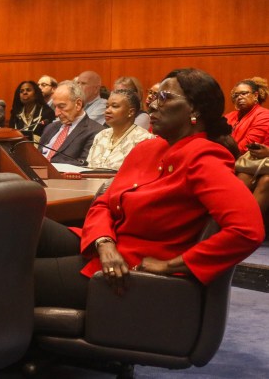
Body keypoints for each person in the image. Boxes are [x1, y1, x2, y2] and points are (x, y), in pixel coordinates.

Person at [34, 68, 264, 311]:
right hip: (102, 243)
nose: (152, 105)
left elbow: (247, 230)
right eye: (154, 97)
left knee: (13, 273)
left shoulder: (205, 158)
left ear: (195, 109)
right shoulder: (146, 149)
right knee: (18, 221)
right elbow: (103, 203)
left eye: (164, 98)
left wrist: (173, 265)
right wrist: (104, 243)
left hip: (126, 270)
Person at [38, 81, 104, 165]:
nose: (56, 113)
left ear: (78, 104)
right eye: (55, 107)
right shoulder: (50, 127)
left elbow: (83, 164)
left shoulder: (95, 131)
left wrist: (49, 165)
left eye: (61, 106)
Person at [86, 89, 154, 170]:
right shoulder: (101, 135)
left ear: (131, 112)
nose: (107, 111)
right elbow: (89, 168)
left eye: (115, 106)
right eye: (107, 106)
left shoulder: (144, 139)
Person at [224, 79, 269, 154]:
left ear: (255, 95)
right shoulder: (230, 115)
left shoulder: (265, 115)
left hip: (247, 158)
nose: (239, 97)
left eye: (244, 93)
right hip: (227, 155)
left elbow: (248, 146)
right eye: (236, 95)